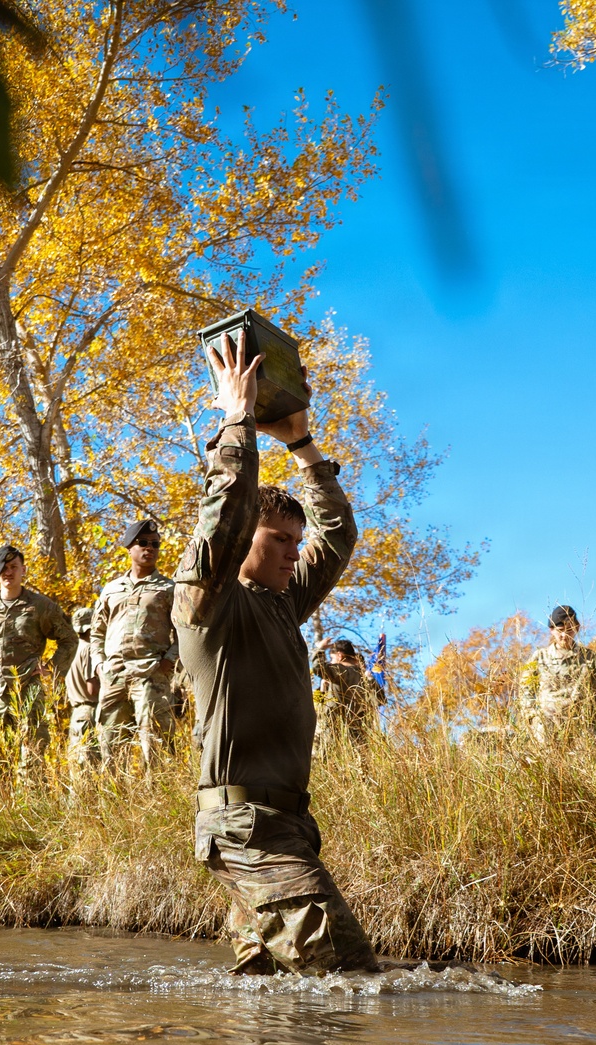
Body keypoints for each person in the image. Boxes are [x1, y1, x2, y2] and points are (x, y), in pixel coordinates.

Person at [172, 329, 378, 976]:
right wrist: (237, 415)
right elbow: (226, 511)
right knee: (348, 979)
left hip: (287, 828)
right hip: (246, 827)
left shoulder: (284, 605)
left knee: (268, 1001)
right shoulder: (206, 602)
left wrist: (301, 444)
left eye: (296, 539)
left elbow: (339, 534)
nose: (295, 550)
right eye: (280, 538)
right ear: (244, 542)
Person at [0, 545, 77, 785]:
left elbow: (69, 639)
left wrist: (52, 667)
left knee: (32, 761)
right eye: (3, 568)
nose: (8, 572)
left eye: (14, 567)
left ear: (23, 570)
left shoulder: (41, 606)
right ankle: (0, 817)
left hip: (29, 692)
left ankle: (36, 817)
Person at [91, 520, 178, 768]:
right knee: (110, 747)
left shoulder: (169, 589)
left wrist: (168, 661)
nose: (149, 548)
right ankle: (113, 804)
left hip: (151, 675)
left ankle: (160, 802)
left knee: (156, 746)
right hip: (114, 676)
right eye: (142, 543)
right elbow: (97, 632)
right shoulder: (111, 589)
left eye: (154, 544)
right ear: (129, 548)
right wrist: (99, 665)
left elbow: (182, 632)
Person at [519, 605, 596, 739]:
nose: (565, 635)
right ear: (552, 630)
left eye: (570, 629)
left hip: (582, 726)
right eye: (560, 630)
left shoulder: (589, 658)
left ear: (577, 628)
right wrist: (532, 717)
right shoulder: (540, 657)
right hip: (546, 726)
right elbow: (525, 689)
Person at [311, 636, 385, 748]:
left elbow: (318, 667)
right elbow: (381, 699)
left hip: (334, 735)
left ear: (339, 656)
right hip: (360, 737)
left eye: (332, 659)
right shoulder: (367, 677)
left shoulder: (341, 671)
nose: (331, 663)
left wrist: (320, 650)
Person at [65, 607, 100, 779]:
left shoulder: (70, 650)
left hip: (76, 713)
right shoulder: (88, 650)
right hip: (89, 712)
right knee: (89, 770)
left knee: (78, 769)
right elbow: (91, 687)